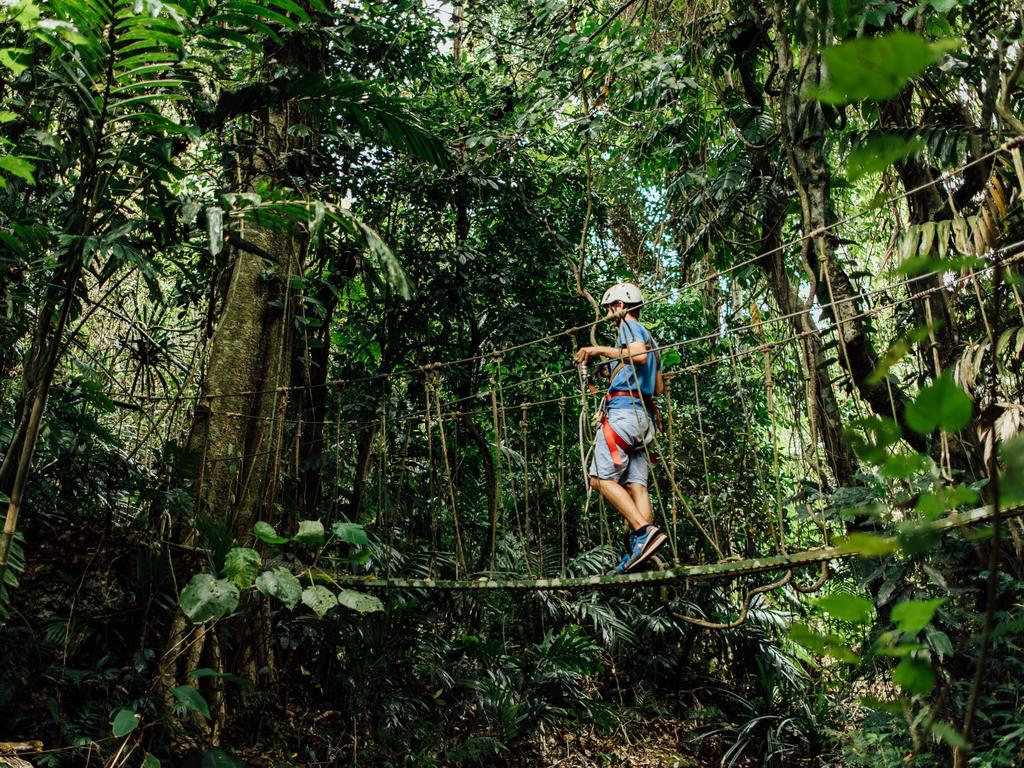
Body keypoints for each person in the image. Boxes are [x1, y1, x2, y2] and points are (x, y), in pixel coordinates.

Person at [573, 282, 668, 574]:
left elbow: (636, 356)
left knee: (598, 479)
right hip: (643, 421)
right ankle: (644, 552)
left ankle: (643, 534)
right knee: (636, 485)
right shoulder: (652, 341)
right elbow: (659, 387)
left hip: (624, 416)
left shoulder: (629, 327)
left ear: (622, 307)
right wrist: (612, 371)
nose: (609, 314)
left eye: (611, 308)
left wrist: (597, 349)